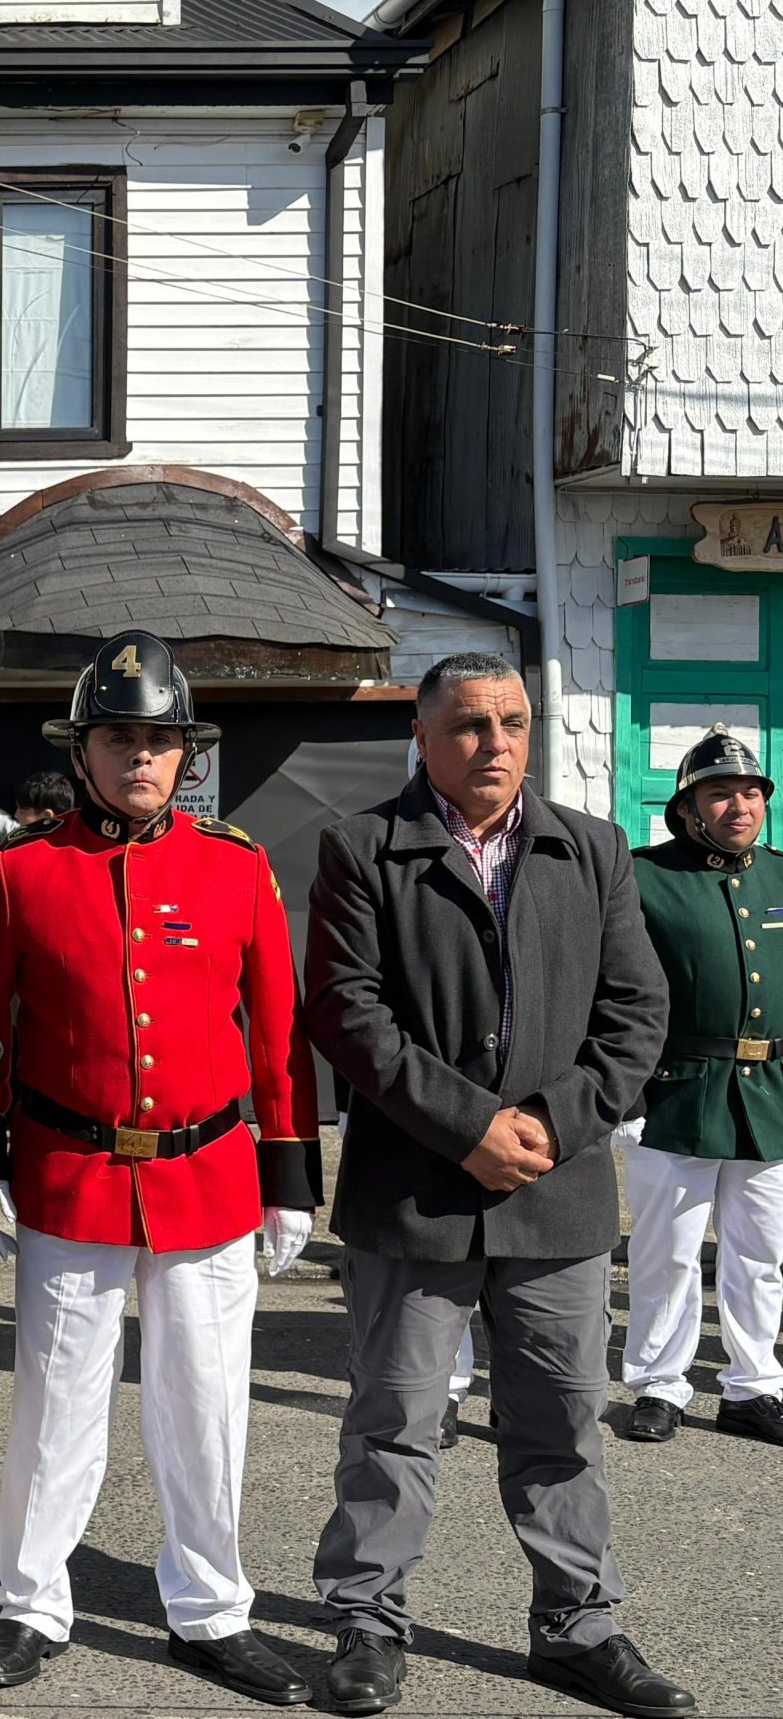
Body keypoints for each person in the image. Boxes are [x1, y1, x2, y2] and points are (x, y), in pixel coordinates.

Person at [305, 651, 689, 1719]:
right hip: (414, 1194)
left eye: (512, 722)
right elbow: (346, 1014)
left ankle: (576, 1626)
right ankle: (368, 1623)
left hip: (553, 1194)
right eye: (468, 725)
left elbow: (634, 1014)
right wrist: (469, 1127)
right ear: (421, 739)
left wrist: (548, 1127)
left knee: (561, 1421)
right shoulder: (362, 848)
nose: (493, 744)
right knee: (393, 1421)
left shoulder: (591, 848)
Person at [0, 630, 321, 1705]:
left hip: (207, 1176)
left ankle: (209, 1609)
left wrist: (289, 1171)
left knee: (205, 1407)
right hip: (68, 1172)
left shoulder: (236, 865)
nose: (140, 760)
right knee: (54, 1405)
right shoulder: (22, 874)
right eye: (118, 739)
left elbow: (277, 1033)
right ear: (82, 752)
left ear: (186, 756)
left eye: (159, 741)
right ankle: (32, 1602)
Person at [619, 728, 783, 1449]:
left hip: (771, 1095)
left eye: (750, 793)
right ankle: (659, 1383)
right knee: (668, 1251)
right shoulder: (642, 877)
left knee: (761, 1252)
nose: (739, 806)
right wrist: (623, 1093)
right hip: (676, 1091)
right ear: (687, 808)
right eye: (720, 793)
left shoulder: (782, 875)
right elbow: (615, 990)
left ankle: (753, 1386)